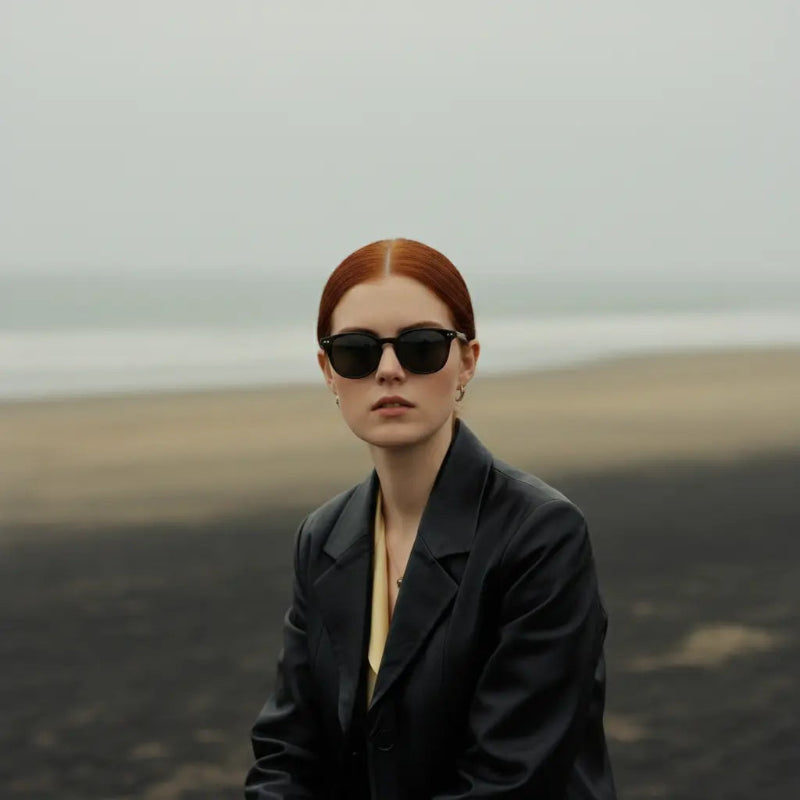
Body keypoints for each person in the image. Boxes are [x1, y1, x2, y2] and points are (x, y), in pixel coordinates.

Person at [245, 239, 617, 799]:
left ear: (467, 360)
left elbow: (513, 778)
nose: (389, 370)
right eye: (356, 351)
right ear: (328, 371)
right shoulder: (322, 538)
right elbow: (287, 754)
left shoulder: (541, 535)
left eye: (421, 346)